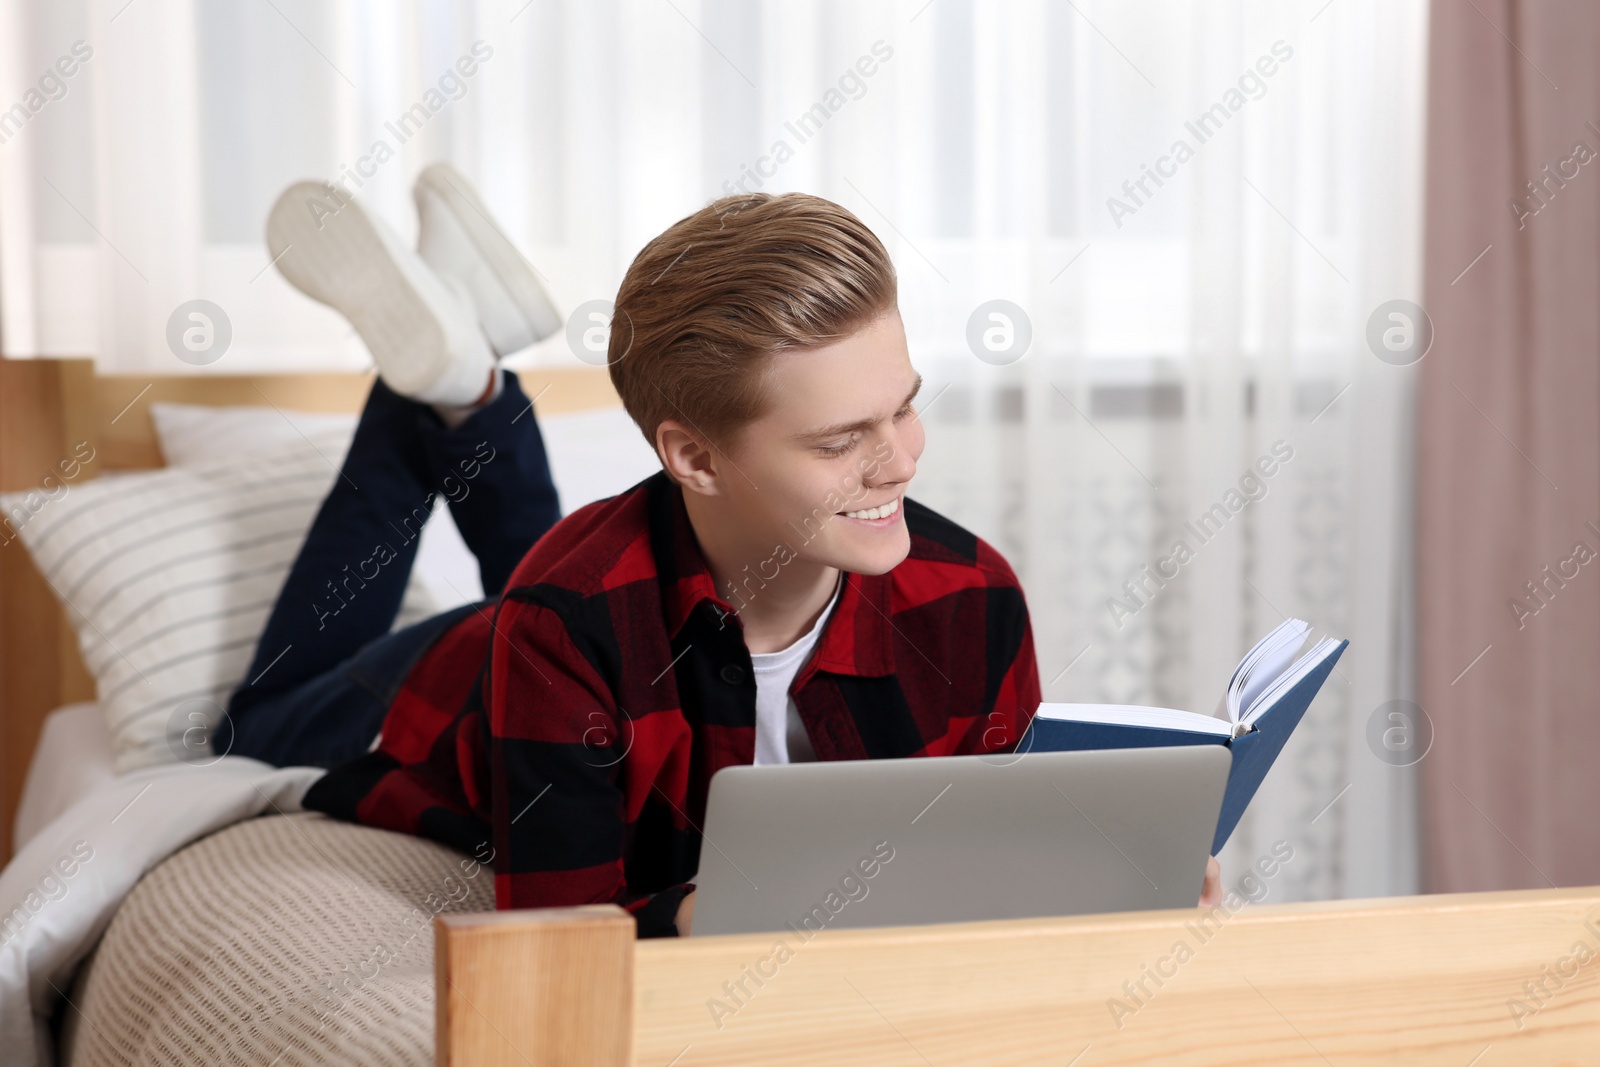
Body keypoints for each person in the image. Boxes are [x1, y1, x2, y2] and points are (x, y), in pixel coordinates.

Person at [227, 173, 1221, 936]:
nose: (899, 461)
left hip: (609, 600)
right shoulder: (556, 626)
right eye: (839, 442)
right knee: (256, 721)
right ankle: (446, 389)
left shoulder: (971, 594)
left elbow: (983, 864)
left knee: (573, 578)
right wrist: (705, 916)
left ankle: (463, 382)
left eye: (905, 404)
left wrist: (1121, 882)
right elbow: (556, 939)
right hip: (455, 685)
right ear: (691, 455)